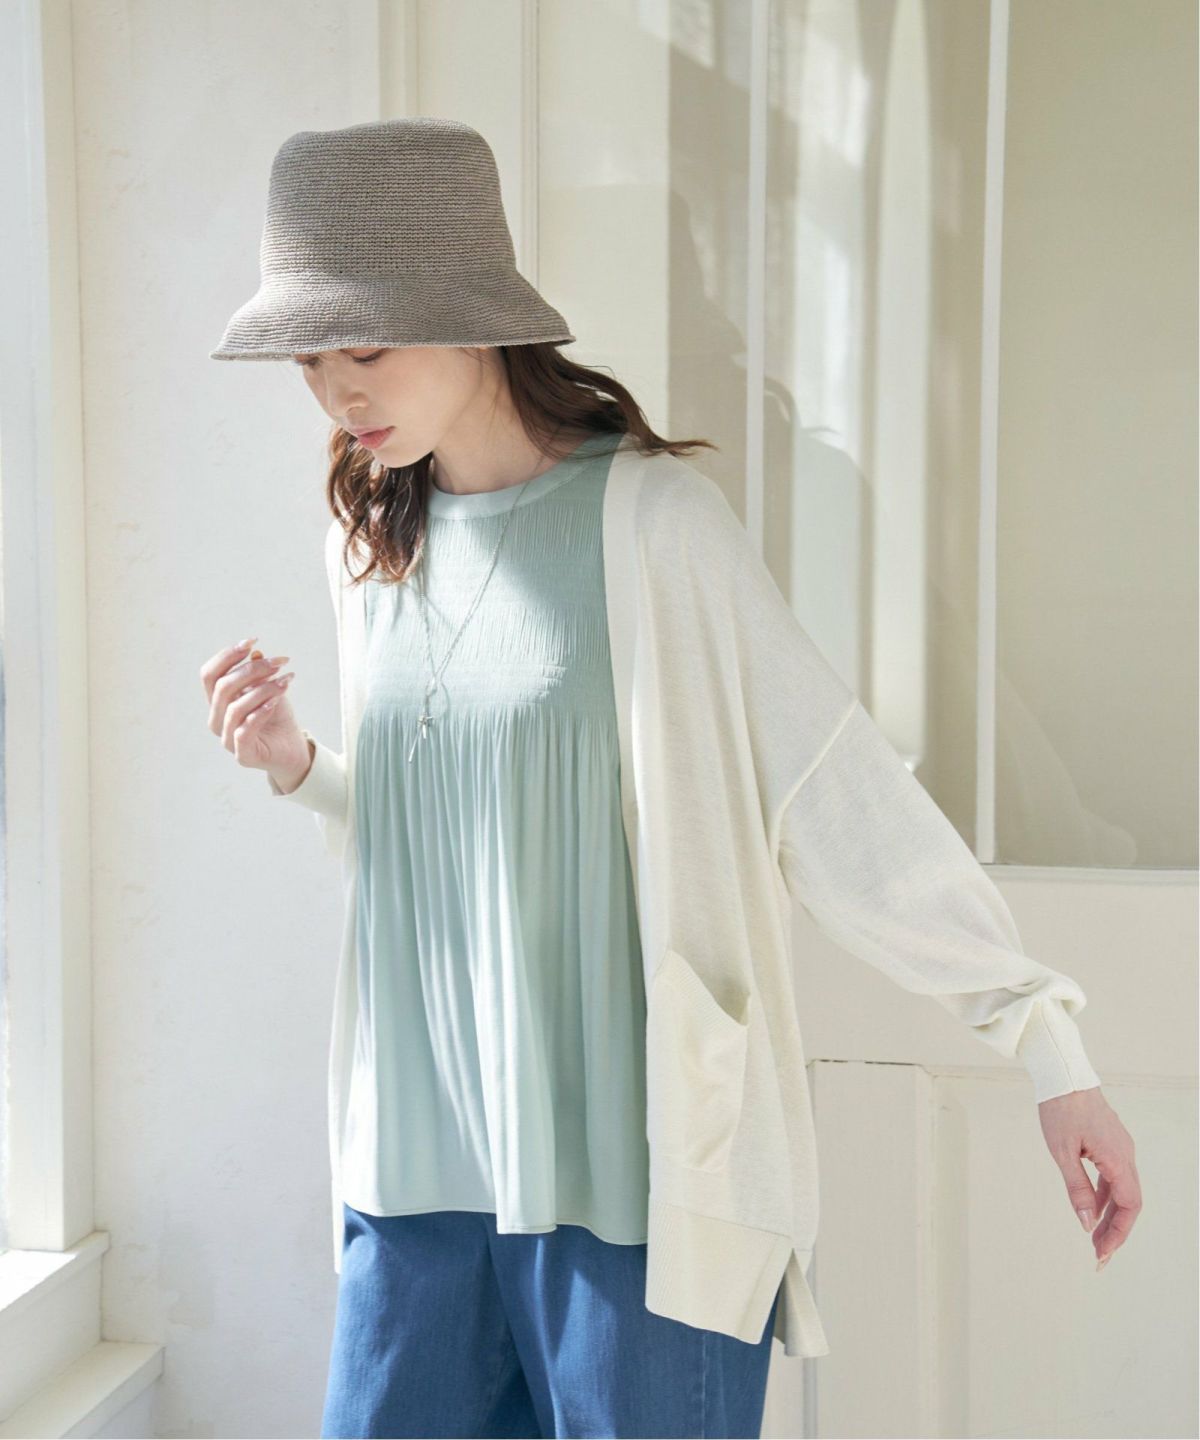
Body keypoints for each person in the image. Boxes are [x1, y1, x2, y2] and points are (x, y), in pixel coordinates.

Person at [200, 119, 1141, 1440]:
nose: (336, 396)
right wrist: (303, 770)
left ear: (472, 317)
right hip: (416, 1180)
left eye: (363, 350)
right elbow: (454, 845)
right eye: (309, 360)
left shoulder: (657, 530)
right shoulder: (374, 546)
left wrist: (1046, 1042)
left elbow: (832, 795)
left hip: (634, 1193)